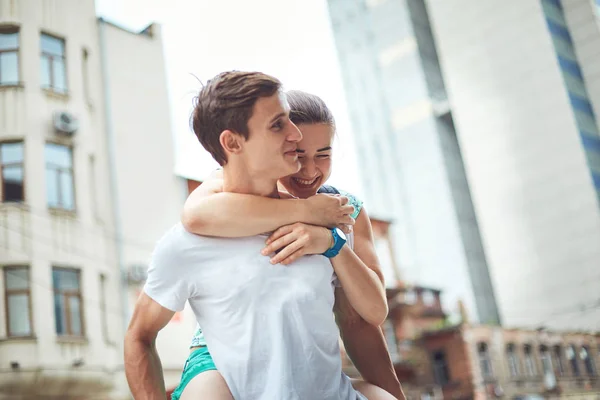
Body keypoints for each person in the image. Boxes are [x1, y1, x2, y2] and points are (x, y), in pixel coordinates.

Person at [124, 71, 393, 399]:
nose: (295, 136)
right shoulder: (190, 237)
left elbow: (362, 321)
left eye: (322, 152)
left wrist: (331, 240)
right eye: (279, 125)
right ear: (233, 143)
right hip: (218, 370)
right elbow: (139, 336)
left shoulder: (333, 215)